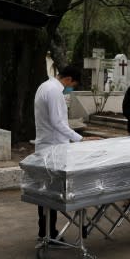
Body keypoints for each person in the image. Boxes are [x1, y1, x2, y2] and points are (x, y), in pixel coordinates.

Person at [33, 65, 84, 239]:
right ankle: (49, 233)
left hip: (47, 145)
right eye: (73, 85)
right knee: (52, 193)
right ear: (69, 79)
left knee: (46, 192)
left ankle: (46, 231)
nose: (71, 88)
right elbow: (58, 122)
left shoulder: (44, 86)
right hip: (53, 148)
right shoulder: (54, 91)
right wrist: (80, 139)